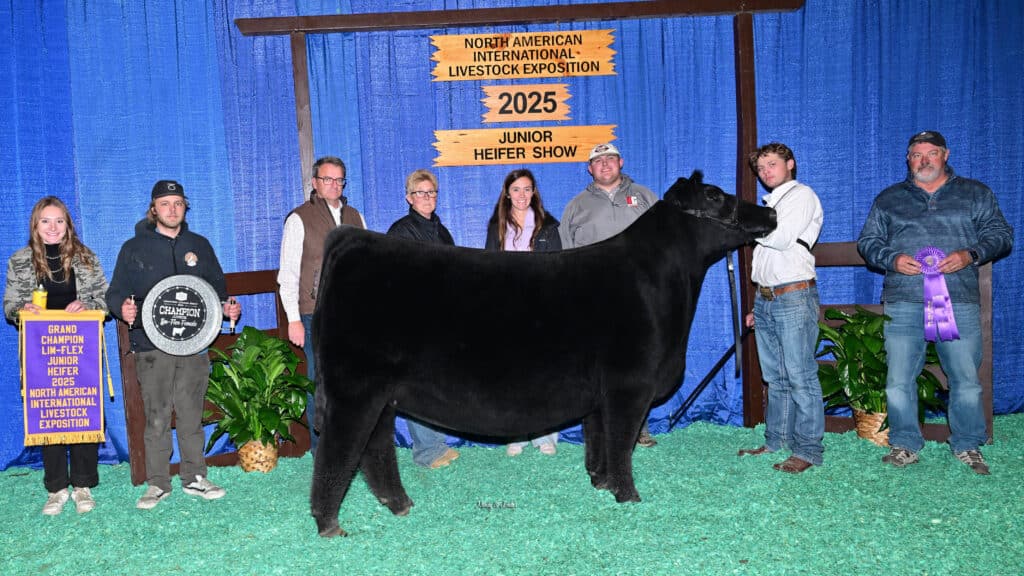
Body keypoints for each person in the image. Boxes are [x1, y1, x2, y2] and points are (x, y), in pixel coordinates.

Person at [858, 130, 1013, 475]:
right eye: (916, 154)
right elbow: (868, 242)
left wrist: (971, 253)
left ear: (946, 155)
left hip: (958, 300)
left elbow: (1001, 234)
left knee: (965, 379)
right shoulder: (888, 199)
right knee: (898, 380)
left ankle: (968, 444)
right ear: (908, 159)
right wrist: (891, 258)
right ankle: (904, 444)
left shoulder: (976, 193)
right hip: (903, 300)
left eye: (931, 153)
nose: (924, 160)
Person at [106, 180, 242, 508]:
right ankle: (157, 483)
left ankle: (195, 476)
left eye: (178, 203)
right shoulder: (133, 248)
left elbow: (218, 291)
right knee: (156, 415)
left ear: (185, 207)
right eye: (165, 203)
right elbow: (115, 291)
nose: (172, 209)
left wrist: (227, 307)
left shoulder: (200, 245)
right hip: (151, 346)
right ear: (154, 209)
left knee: (191, 412)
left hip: (194, 344)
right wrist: (121, 307)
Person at [3, 197, 109, 515]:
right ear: (35, 226)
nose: (52, 227)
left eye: (59, 221)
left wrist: (88, 306)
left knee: (82, 412)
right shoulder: (19, 261)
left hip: (81, 350)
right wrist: (23, 309)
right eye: (45, 221)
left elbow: (106, 300)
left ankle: (83, 484)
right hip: (41, 352)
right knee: (49, 415)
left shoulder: (87, 259)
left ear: (68, 226)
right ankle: (56, 488)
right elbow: (9, 306)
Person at [560, 142, 660, 447]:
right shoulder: (576, 205)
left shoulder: (645, 197)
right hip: (594, 297)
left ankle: (638, 426)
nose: (604, 165)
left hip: (641, 296)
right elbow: (566, 252)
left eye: (610, 159)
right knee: (596, 363)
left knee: (641, 362)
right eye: (597, 161)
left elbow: (665, 240)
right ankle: (600, 428)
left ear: (621, 162)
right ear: (589, 169)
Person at [737, 143, 825, 474]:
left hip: (794, 295)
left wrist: (740, 225)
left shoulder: (801, 195)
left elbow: (782, 237)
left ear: (790, 163)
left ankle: (808, 450)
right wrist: (759, 304)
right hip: (768, 298)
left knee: (801, 376)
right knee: (775, 377)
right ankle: (776, 441)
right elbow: (767, 259)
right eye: (761, 168)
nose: (766, 172)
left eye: (772, 164)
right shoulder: (772, 203)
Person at [278, 156, 366, 455]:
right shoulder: (299, 218)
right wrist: (293, 319)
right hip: (314, 312)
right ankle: (322, 450)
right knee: (320, 380)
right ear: (314, 183)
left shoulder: (356, 216)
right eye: (327, 179)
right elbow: (288, 273)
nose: (334, 185)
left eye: (339, 180)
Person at [386, 169, 461, 469]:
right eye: (421, 193)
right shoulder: (400, 231)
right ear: (409, 197)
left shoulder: (441, 231)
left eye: (431, 192)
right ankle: (425, 452)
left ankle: (437, 444)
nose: (427, 198)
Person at [485, 168, 562, 456]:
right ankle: (515, 432)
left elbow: (559, 269)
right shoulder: (496, 227)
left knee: (543, 372)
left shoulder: (549, 226)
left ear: (534, 193)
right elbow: (487, 270)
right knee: (512, 373)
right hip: (507, 308)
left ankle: (545, 433)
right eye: (516, 189)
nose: (521, 195)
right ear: (507, 193)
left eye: (527, 189)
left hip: (542, 307)